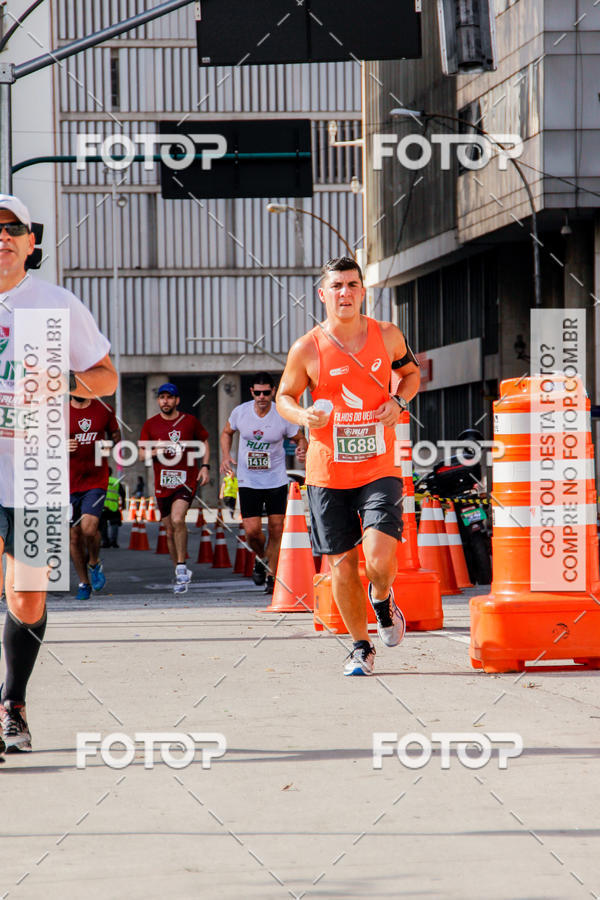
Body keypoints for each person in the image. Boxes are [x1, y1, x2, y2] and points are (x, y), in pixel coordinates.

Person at [0, 194, 117, 751]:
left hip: (37, 471)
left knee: (27, 600)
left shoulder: (56, 304)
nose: (2, 238)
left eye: (12, 229)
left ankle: (13, 702)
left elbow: (107, 376)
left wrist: (64, 384)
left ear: (30, 242)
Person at [276, 257, 420, 675]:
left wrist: (399, 402)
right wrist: (303, 417)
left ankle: (382, 597)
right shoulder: (307, 348)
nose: (345, 293)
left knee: (377, 562)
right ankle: (361, 645)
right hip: (327, 473)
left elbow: (410, 375)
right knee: (341, 564)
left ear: (362, 291)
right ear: (323, 294)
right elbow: (285, 397)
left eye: (352, 285)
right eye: (336, 286)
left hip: (378, 467)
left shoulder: (388, 335)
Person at [220, 372, 308, 594]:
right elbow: (226, 432)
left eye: (266, 392)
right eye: (257, 393)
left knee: (277, 529)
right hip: (248, 480)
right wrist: (225, 455)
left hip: (276, 479)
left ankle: (271, 576)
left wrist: (302, 448)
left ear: (273, 391)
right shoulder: (241, 412)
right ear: (252, 392)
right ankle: (262, 558)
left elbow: (300, 437)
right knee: (252, 532)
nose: (261, 397)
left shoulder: (282, 415)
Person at [139, 383, 210, 594]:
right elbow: (141, 454)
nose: (165, 401)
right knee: (169, 530)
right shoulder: (151, 424)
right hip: (163, 483)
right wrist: (156, 450)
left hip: (185, 480)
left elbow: (204, 441)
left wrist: (205, 467)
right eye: (162, 397)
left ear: (177, 400)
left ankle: (181, 567)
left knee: (178, 519)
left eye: (170, 397)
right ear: (158, 400)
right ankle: (179, 571)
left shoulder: (189, 421)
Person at [69, 396, 121, 598]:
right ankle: (83, 583)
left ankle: (93, 562)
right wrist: (59, 446)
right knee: (74, 536)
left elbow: (116, 436)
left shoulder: (104, 409)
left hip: (96, 481)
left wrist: (110, 444)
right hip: (68, 482)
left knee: (88, 529)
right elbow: (44, 443)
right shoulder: (59, 413)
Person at [100, 467, 126, 548]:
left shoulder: (101, 481)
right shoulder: (116, 481)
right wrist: (123, 504)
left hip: (103, 507)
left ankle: (105, 542)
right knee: (114, 524)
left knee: (103, 525)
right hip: (114, 507)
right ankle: (113, 542)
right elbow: (122, 493)